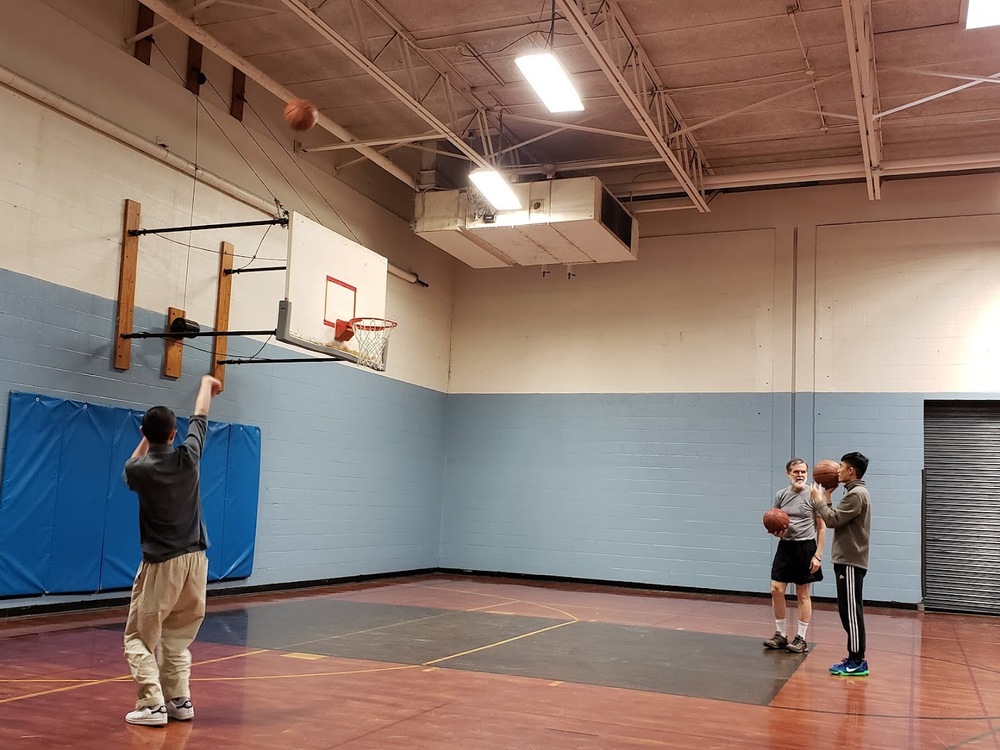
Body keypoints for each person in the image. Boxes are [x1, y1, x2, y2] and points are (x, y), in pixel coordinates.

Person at [121, 375, 222, 726]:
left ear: (144, 433)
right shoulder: (189, 458)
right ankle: (179, 700)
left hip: (161, 563)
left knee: (138, 637)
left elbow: (129, 468)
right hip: (196, 561)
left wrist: (144, 441)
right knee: (178, 638)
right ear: (174, 434)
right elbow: (200, 417)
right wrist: (206, 385)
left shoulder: (138, 469)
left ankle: (151, 705)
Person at [811, 451, 871, 677]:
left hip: (850, 560)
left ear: (851, 471)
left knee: (852, 613)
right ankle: (854, 656)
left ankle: (857, 660)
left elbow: (832, 520)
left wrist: (818, 501)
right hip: (846, 560)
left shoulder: (857, 494)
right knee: (847, 611)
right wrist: (827, 495)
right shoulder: (854, 493)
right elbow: (835, 515)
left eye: (841, 466)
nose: (837, 470)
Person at [763, 458, 826, 654]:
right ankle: (781, 635)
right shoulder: (781, 495)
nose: (800, 475)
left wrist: (818, 555)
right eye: (796, 472)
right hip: (785, 547)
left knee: (802, 592)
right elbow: (777, 521)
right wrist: (777, 531)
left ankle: (801, 638)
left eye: (803, 472)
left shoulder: (814, 495)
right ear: (788, 474)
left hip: (805, 548)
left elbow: (822, 527)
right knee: (776, 589)